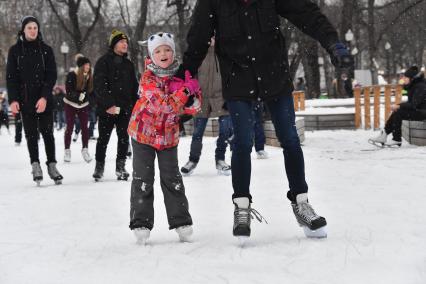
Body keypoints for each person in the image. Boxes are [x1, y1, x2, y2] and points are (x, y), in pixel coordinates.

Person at [178, 0, 353, 239]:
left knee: (290, 140)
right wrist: (183, 79)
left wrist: (333, 43)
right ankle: (241, 207)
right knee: (241, 143)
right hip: (237, 80)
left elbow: (306, 13)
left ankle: (302, 204)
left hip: (274, 76)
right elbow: (197, 40)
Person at [128, 32, 201, 244]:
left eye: (167, 49)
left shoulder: (181, 74)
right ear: (151, 55)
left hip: (168, 136)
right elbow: (164, 105)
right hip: (143, 134)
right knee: (143, 178)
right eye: (158, 50)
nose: (163, 53)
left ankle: (181, 222)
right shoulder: (147, 78)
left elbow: (192, 103)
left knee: (172, 179)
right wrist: (186, 91)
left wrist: (193, 103)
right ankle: (141, 223)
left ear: (173, 52)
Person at [6, 15, 63, 185]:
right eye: (29, 28)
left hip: (44, 98)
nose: (32, 30)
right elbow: (11, 78)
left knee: (48, 134)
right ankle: (35, 164)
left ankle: (52, 165)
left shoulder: (46, 50)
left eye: (35, 28)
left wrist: (45, 96)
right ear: (23, 30)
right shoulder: (15, 51)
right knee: (31, 135)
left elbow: (51, 75)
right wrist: (13, 100)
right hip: (25, 100)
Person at [180, 37, 233, 176]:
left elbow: (231, 75)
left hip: (221, 97)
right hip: (202, 98)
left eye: (215, 35)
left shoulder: (225, 52)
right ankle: (192, 160)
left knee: (225, 131)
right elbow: (189, 76)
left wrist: (230, 96)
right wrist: (191, 96)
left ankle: (220, 159)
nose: (212, 38)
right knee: (197, 133)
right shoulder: (198, 53)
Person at [92, 29, 139, 181]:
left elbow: (134, 87)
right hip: (107, 109)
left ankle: (121, 167)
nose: (125, 44)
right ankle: (99, 167)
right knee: (103, 140)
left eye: (126, 42)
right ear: (113, 45)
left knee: (124, 139)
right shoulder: (103, 62)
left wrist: (136, 106)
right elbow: (99, 85)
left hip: (125, 109)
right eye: (121, 42)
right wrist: (109, 104)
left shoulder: (129, 65)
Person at [369, 66, 426, 147]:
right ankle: (384, 134)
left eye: (406, 77)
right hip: (419, 110)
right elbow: (413, 103)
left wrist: (399, 106)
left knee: (399, 113)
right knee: (397, 111)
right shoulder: (414, 86)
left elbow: (414, 104)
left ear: (412, 78)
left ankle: (396, 139)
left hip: (423, 112)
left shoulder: (420, 87)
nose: (404, 79)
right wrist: (399, 105)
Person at [63, 56, 93, 163]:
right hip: (70, 103)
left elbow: (90, 92)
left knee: (85, 127)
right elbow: (69, 90)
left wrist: (86, 98)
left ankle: (85, 149)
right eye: (86, 65)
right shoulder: (72, 75)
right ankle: (67, 150)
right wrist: (78, 96)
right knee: (70, 127)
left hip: (83, 105)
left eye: (89, 65)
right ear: (81, 66)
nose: (88, 67)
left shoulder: (89, 76)